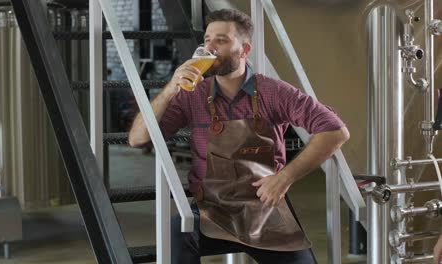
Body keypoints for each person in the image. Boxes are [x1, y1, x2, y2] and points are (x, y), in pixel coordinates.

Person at [129, 8, 349, 264]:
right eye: (207, 40)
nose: (210, 48)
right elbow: (137, 139)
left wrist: (285, 177)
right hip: (211, 209)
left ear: (244, 50)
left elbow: (334, 130)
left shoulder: (273, 91)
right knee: (178, 230)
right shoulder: (192, 94)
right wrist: (169, 90)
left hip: (265, 211)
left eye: (221, 41)